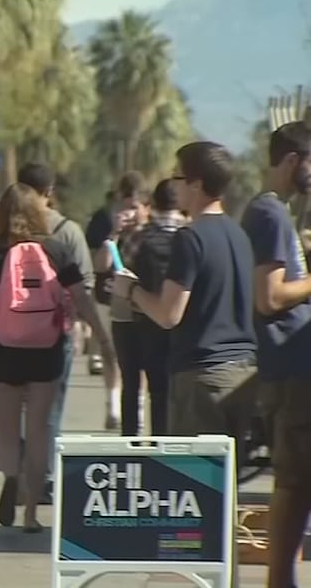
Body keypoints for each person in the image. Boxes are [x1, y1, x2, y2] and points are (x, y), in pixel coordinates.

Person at [0, 183, 112, 533]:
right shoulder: (56, 249)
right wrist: (103, 337)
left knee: (6, 430)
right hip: (47, 352)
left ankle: (11, 476)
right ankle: (31, 513)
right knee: (38, 431)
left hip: (4, 352)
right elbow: (80, 296)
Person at [115, 142, 257, 443]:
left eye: (177, 176)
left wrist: (131, 290)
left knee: (199, 471)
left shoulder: (190, 238)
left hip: (201, 377)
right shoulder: (240, 235)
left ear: (196, 184)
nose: (172, 184)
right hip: (243, 372)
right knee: (231, 469)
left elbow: (168, 315)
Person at [237, 123, 311, 588]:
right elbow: (269, 297)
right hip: (291, 372)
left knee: (298, 483)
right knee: (294, 482)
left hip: (294, 369)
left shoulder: (277, 213)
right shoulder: (269, 214)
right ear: (292, 160)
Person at [17, 163, 104, 503]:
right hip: (55, 333)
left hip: (10, 334)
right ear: (49, 191)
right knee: (50, 408)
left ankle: (20, 472)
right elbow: (85, 284)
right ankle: (45, 475)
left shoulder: (6, 231)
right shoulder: (67, 232)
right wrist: (90, 328)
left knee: (17, 406)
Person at [94, 179, 182, 436]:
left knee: (154, 384)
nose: (128, 213)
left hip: (148, 314)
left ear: (148, 207)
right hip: (129, 316)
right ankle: (136, 440)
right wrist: (114, 233)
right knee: (134, 382)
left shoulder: (149, 236)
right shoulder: (126, 236)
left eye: (134, 207)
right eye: (124, 207)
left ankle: (149, 439)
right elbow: (101, 265)